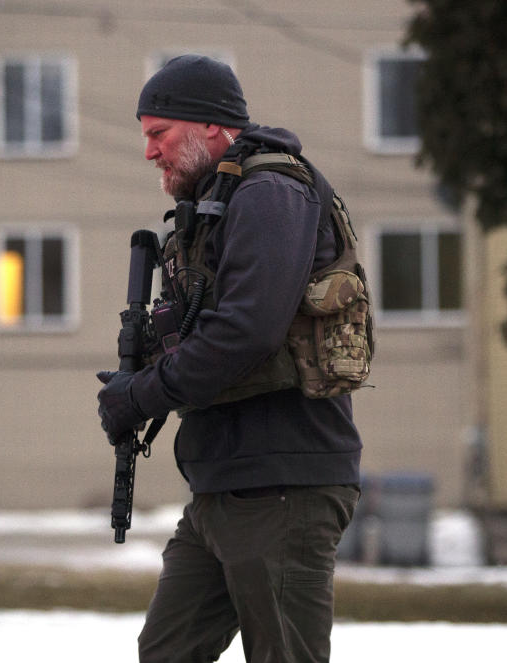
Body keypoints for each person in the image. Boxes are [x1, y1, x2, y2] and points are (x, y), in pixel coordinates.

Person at [97, 54, 363, 663]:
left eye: (158, 134)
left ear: (210, 127)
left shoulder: (270, 191)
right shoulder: (216, 203)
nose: (149, 153)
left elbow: (246, 330)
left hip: (282, 485)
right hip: (224, 486)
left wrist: (139, 396)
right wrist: (141, 371)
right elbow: (208, 332)